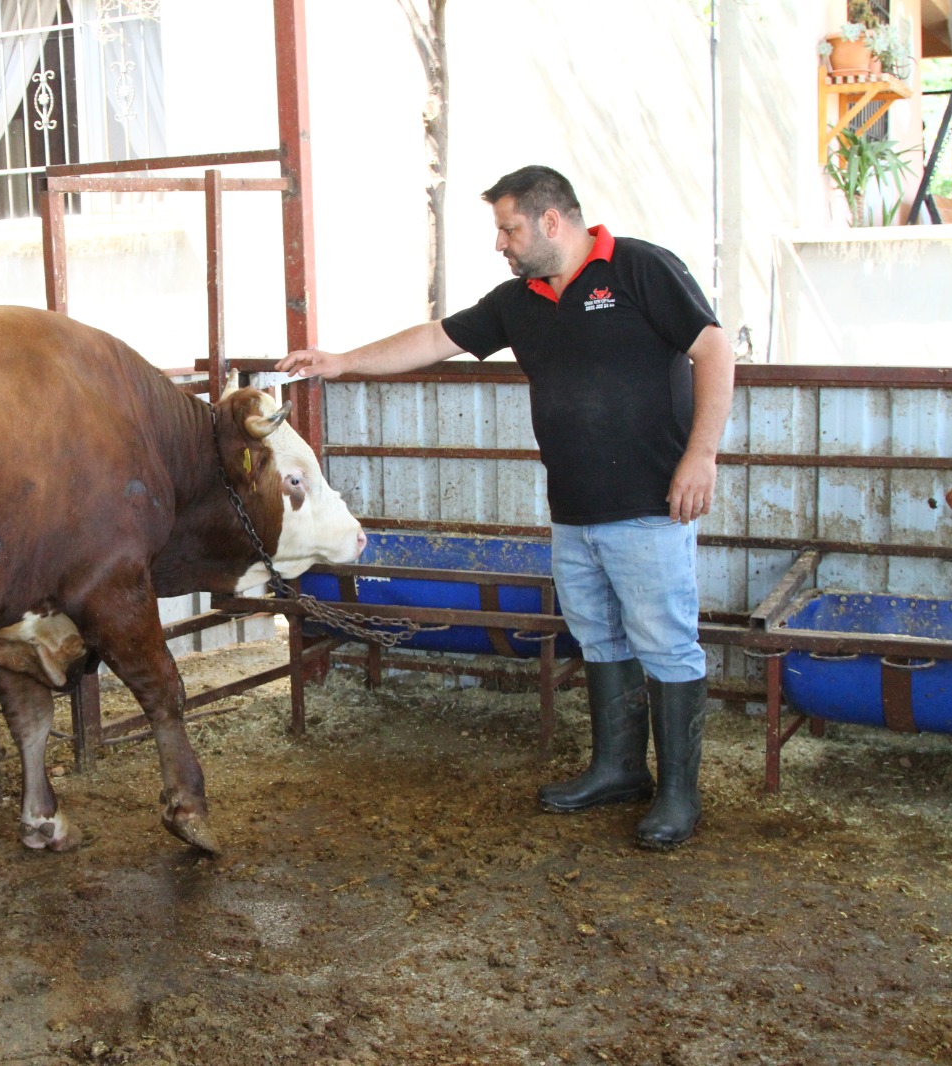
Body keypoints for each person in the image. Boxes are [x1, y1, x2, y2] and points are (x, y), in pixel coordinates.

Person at [278, 165, 734, 850]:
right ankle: (618, 769)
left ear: (551, 221)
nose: (501, 243)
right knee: (600, 639)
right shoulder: (520, 300)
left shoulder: (640, 269)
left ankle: (679, 795)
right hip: (573, 509)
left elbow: (713, 347)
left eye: (508, 229)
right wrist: (342, 361)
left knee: (665, 642)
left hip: (649, 505)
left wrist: (702, 455)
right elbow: (435, 338)